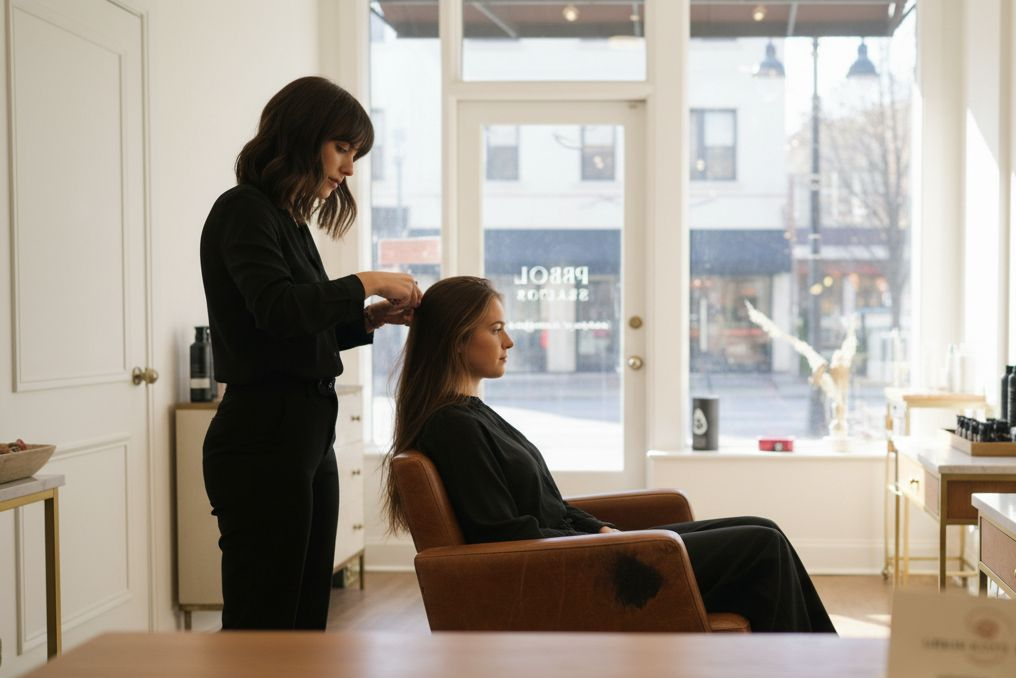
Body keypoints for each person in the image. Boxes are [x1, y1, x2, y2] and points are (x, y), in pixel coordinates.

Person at [384, 276, 836, 633]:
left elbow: (549, 508)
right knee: (761, 547)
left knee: (762, 527)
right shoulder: (453, 426)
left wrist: (596, 528)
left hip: (582, 553)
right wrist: (598, 543)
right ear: (457, 340)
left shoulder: (471, 415)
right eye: (496, 329)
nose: (509, 342)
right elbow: (500, 533)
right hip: (571, 572)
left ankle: (812, 672)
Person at [201, 76, 421, 630]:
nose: (349, 169)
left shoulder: (288, 222)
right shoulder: (242, 211)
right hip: (262, 436)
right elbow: (278, 309)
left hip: (303, 434)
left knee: (302, 619)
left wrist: (368, 318)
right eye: (343, 149)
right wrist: (367, 280)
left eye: (355, 154)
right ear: (301, 136)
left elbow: (292, 324)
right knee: (265, 619)